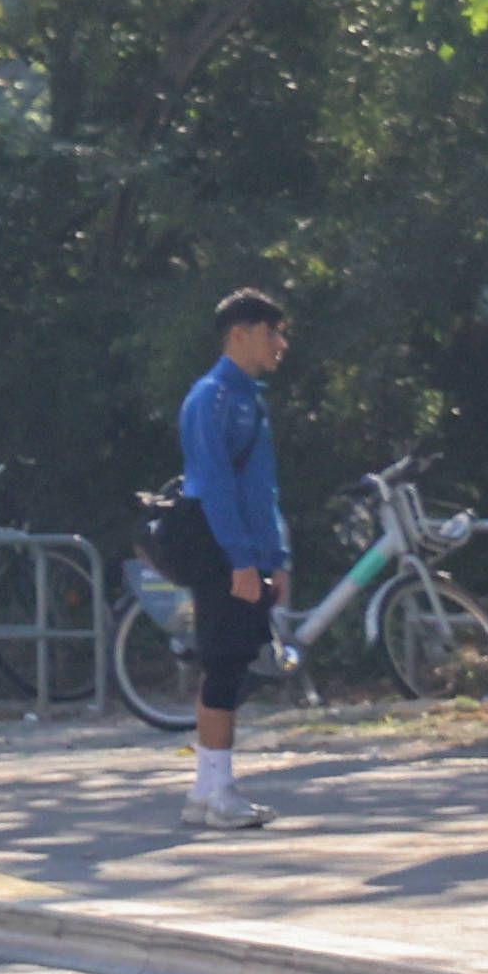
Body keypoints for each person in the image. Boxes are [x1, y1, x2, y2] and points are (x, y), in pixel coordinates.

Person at [179, 286, 292, 830]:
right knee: (223, 665)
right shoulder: (212, 397)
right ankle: (218, 791)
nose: (280, 343)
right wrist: (242, 560)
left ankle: (208, 790)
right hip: (222, 549)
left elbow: (261, 488)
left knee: (232, 664)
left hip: (248, 550)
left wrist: (277, 557)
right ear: (238, 334)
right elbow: (216, 486)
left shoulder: (251, 398)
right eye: (271, 332)